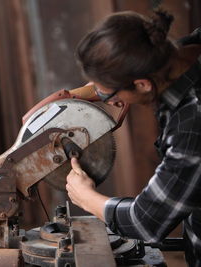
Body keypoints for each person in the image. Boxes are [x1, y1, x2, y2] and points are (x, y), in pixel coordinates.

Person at [65, 9, 201, 266]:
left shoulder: (191, 128)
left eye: (108, 94)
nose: (108, 100)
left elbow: (146, 221)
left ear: (142, 85)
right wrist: (68, 97)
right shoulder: (175, 53)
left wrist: (86, 197)